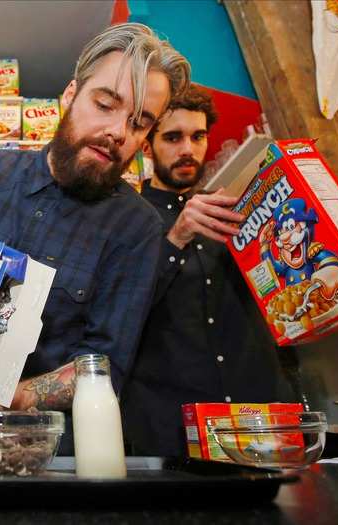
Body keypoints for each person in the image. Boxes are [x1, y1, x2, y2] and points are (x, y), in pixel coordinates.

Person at [0, 23, 191, 452]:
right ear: (70, 95)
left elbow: (105, 367)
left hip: (53, 460)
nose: (119, 131)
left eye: (139, 123)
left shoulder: (137, 226)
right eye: (105, 104)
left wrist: (1, 397)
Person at [121, 85, 296, 457]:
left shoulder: (242, 208)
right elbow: (122, 313)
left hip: (259, 413)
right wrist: (176, 237)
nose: (188, 149)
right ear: (147, 147)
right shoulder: (125, 221)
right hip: (169, 425)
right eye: (173, 137)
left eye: (198, 136)